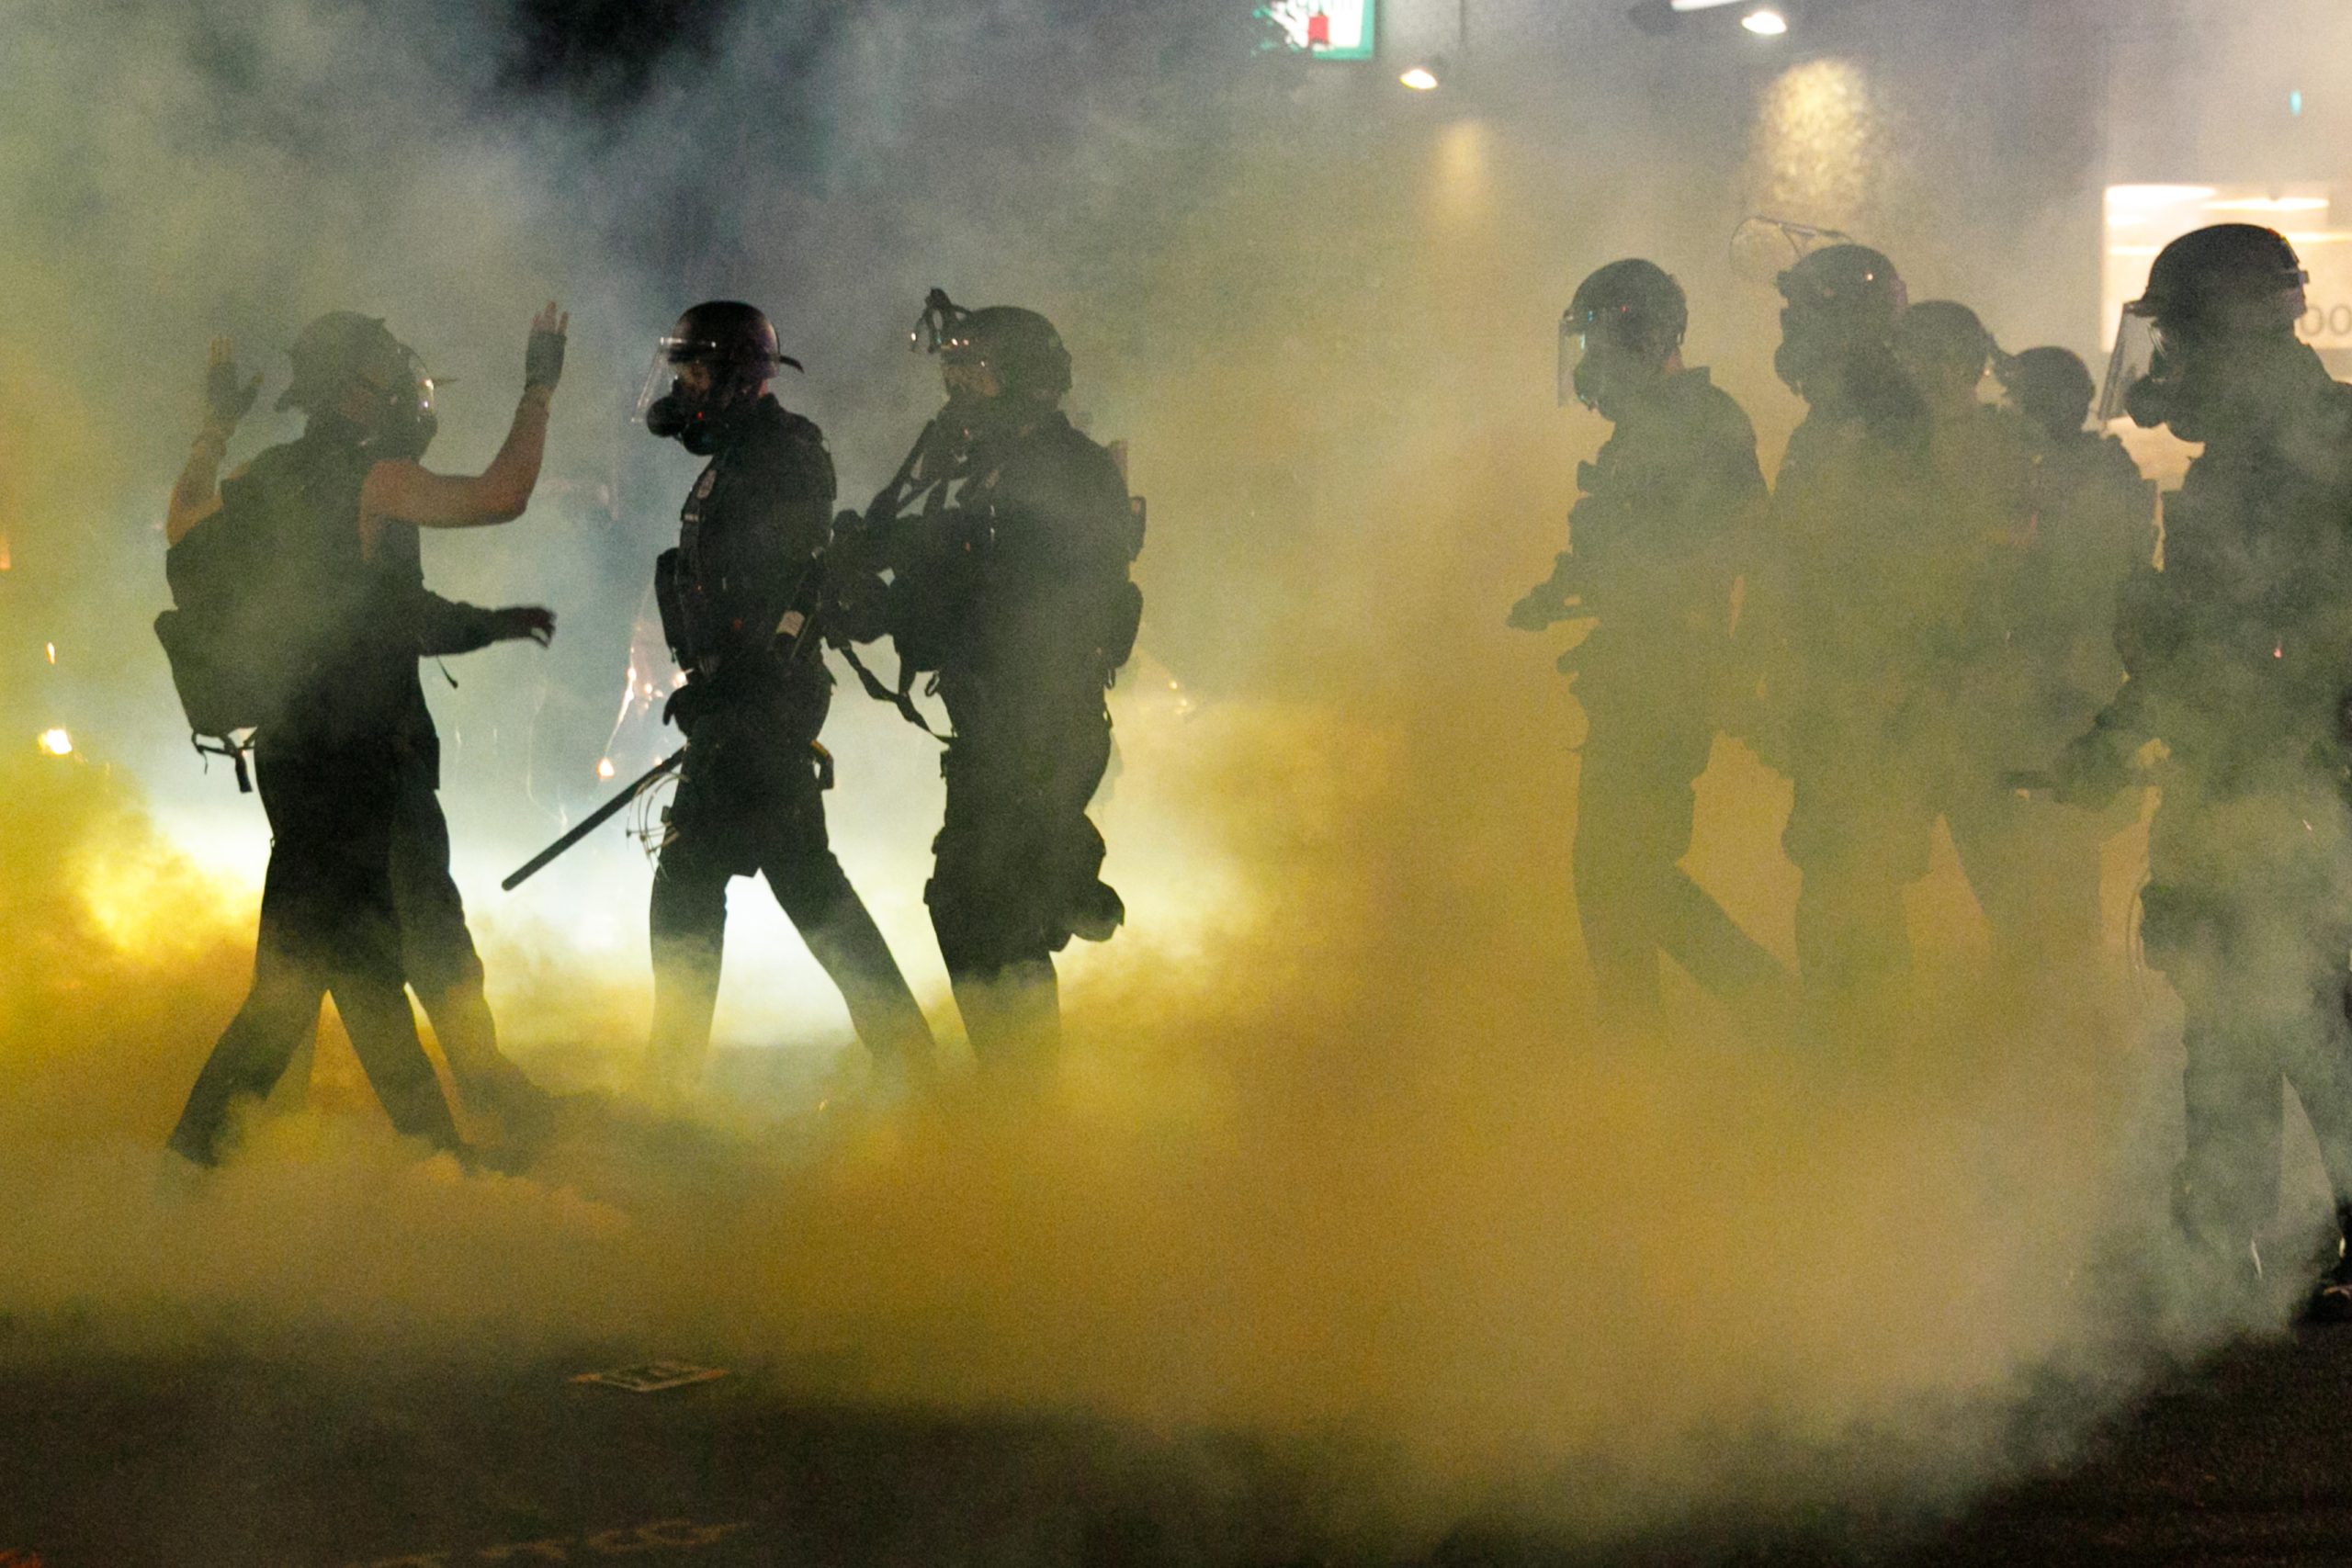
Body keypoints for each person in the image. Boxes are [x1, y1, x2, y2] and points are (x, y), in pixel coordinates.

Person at [166, 304, 569, 1165]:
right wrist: (539, 385)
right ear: (355, 393)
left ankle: (442, 1151)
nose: (404, 390)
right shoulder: (371, 479)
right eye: (387, 373)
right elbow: (504, 494)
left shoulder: (265, 477)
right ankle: (178, 1182)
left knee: (365, 966)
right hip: (362, 767)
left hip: (296, 758)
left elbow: (182, 530)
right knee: (292, 994)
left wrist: (215, 425)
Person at [2048, 225, 2352, 1313]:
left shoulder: (2296, 459)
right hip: (2257, 777)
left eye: (2177, 332)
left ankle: (2227, 1245)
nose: (2165, 363)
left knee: (2290, 1007)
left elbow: (2235, 644)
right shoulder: (2276, 450)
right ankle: (2218, 1246)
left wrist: (2123, 733)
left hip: (2290, 783)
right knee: (2244, 1001)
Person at [836, 295, 1138, 1091]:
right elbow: (955, 554)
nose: (957, 389)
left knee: (984, 907)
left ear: (1024, 379)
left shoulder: (1062, 468)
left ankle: (1027, 1112)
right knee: (977, 907)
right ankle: (1020, 1095)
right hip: (1001, 724)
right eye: (953, 371)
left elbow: (1003, 590)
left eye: (974, 371)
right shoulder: (1000, 466)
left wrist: (890, 600)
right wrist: (865, 560)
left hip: (1039, 727)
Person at [637, 300, 936, 1096]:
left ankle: (671, 1088)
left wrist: (730, 702)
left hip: (762, 710)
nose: (685, 389)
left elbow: (781, 599)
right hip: (745, 710)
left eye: (697, 372)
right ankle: (913, 1062)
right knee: (799, 881)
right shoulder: (739, 458)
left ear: (737, 376)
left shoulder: (783, 454)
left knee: (707, 883)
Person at [1508, 258, 1783, 1028]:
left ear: (1644, 335)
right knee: (1612, 877)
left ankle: (1774, 1019)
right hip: (1639, 674)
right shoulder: (1653, 430)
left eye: (1600, 344)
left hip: (1669, 679)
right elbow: (1623, 545)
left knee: (1624, 876)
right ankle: (1643, 1049)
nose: (1591, 366)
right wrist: (1563, 590)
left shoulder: (1703, 423)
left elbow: (1743, 547)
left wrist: (1727, 664)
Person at [1742, 243, 1943, 1002]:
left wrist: (1872, 693)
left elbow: (1898, 572)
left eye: (1805, 317)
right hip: (1838, 695)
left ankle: (1863, 1074)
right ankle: (1854, 1060)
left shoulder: (1887, 420)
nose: (1792, 336)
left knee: (1853, 889)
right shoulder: (1840, 420)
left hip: (1868, 701)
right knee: (1840, 884)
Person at [1894, 302, 2113, 970]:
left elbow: (2031, 564)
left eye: (1913, 358)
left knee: (2042, 893)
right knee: (2010, 887)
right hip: (1968, 703)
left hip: (2012, 699)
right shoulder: (1921, 448)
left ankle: (2065, 1029)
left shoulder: (1998, 448)